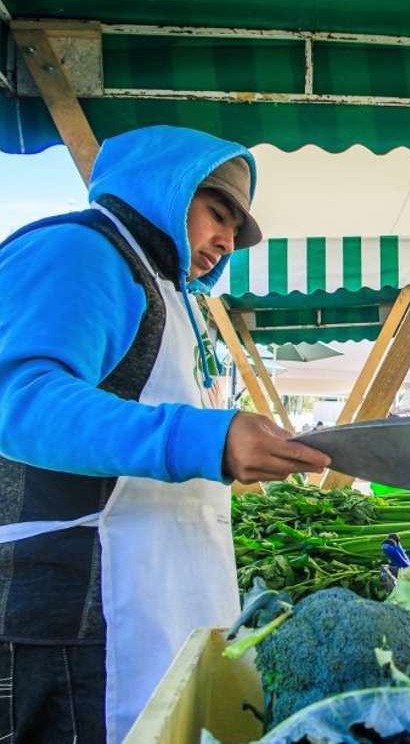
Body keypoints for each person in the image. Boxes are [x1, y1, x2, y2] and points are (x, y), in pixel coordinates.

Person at [0, 125, 331, 743]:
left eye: (237, 228)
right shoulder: (78, 250)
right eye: (217, 212)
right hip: (79, 615)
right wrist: (205, 439)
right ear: (165, 187)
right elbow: (20, 399)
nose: (228, 239)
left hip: (155, 606)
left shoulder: (175, 294)